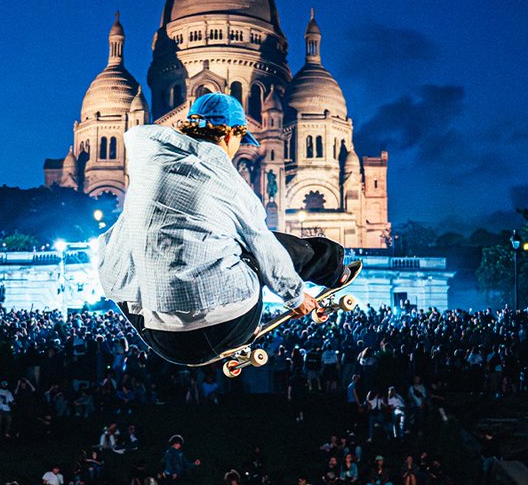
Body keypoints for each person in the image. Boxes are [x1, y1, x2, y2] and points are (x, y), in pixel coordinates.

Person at [95, 91, 358, 365]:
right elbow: (265, 248)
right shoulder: (230, 184)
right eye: (241, 139)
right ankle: (333, 270)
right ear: (231, 134)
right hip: (226, 327)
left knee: (130, 242)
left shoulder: (146, 171)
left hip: (161, 340)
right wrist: (294, 297)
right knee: (258, 243)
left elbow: (110, 251)